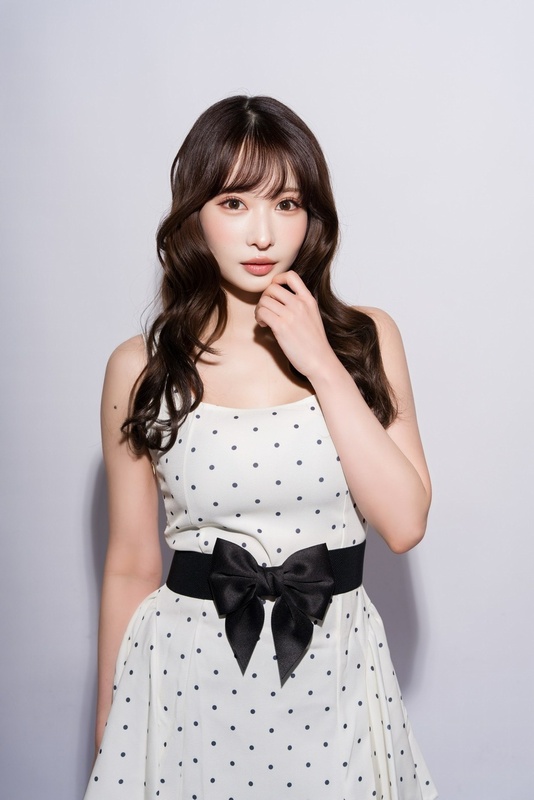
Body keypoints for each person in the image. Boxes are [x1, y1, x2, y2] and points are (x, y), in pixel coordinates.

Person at [84, 95, 438, 799]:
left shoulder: (366, 338)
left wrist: (321, 362)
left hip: (336, 673)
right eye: (234, 203)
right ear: (196, 215)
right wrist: (111, 725)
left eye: (286, 203)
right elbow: (129, 564)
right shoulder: (141, 366)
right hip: (186, 681)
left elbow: (405, 523)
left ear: (312, 217)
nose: (263, 233)